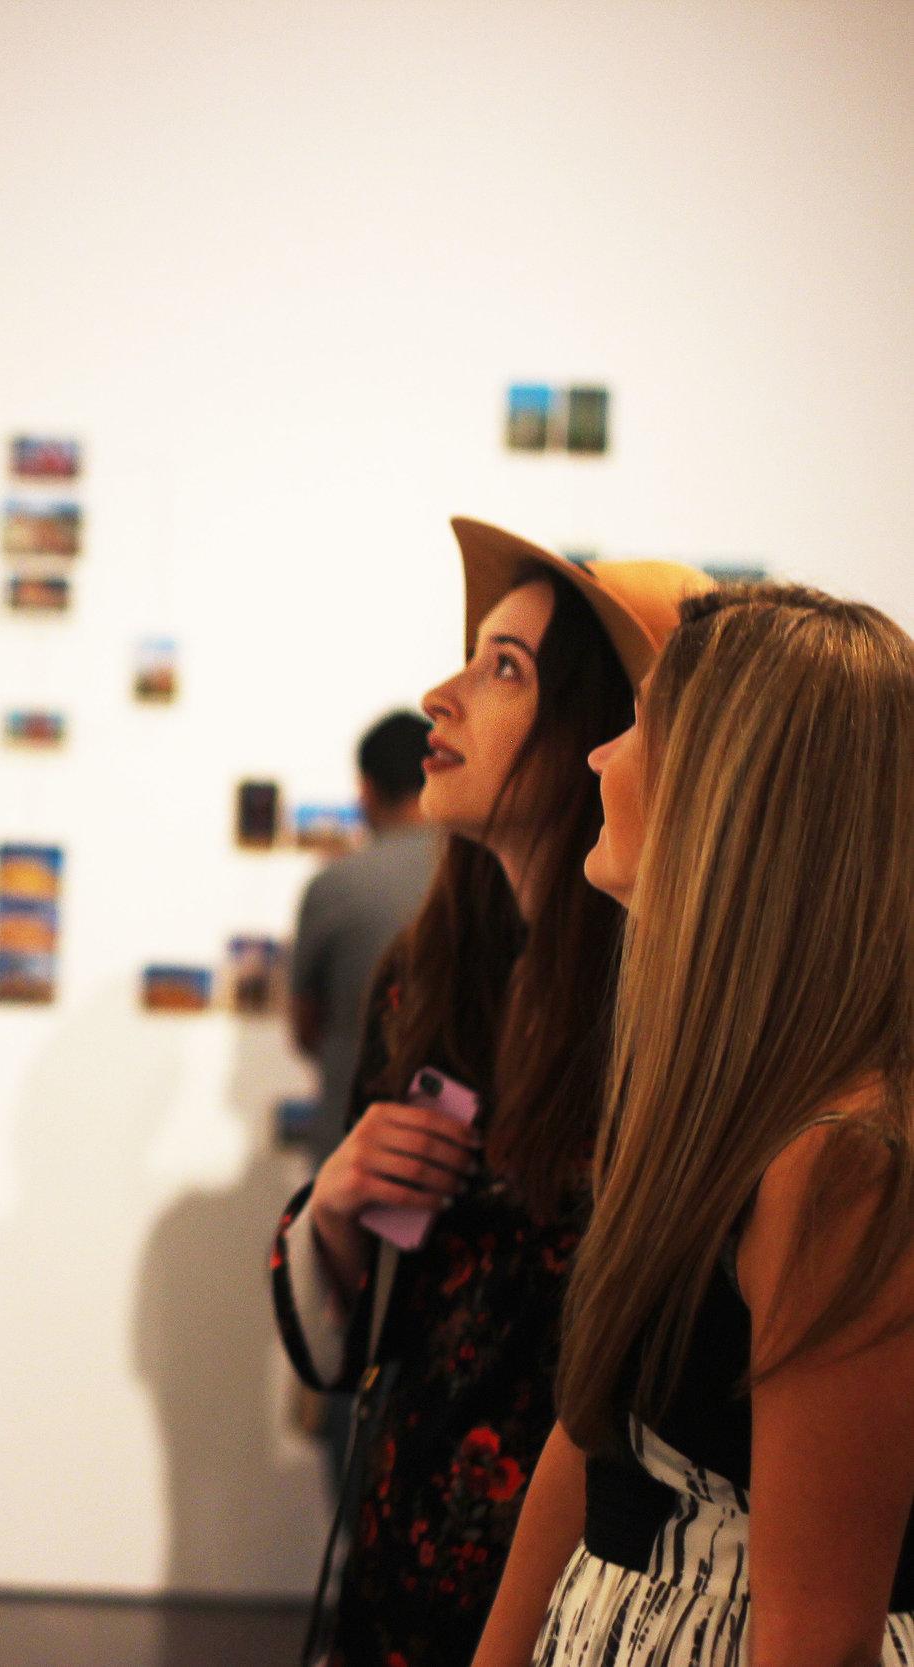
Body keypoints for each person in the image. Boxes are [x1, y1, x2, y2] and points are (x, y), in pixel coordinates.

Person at [267, 518, 709, 1667]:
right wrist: (333, 1204)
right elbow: (359, 1303)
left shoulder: (666, 1005)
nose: (439, 695)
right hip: (402, 1541)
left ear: (594, 736)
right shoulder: (432, 966)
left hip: (587, 1585)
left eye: (502, 669)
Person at [470, 585, 914, 1667]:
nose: (598, 758)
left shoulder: (838, 1161)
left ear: (730, 797)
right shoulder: (703, 1105)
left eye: (638, 727)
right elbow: (589, 1438)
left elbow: (816, 1634)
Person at [287, 711, 440, 1480]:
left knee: (347, 1341)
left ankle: (353, 1554)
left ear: (367, 790)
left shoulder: (337, 883)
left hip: (352, 1155)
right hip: (454, 1160)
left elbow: (304, 1026)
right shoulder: (477, 876)